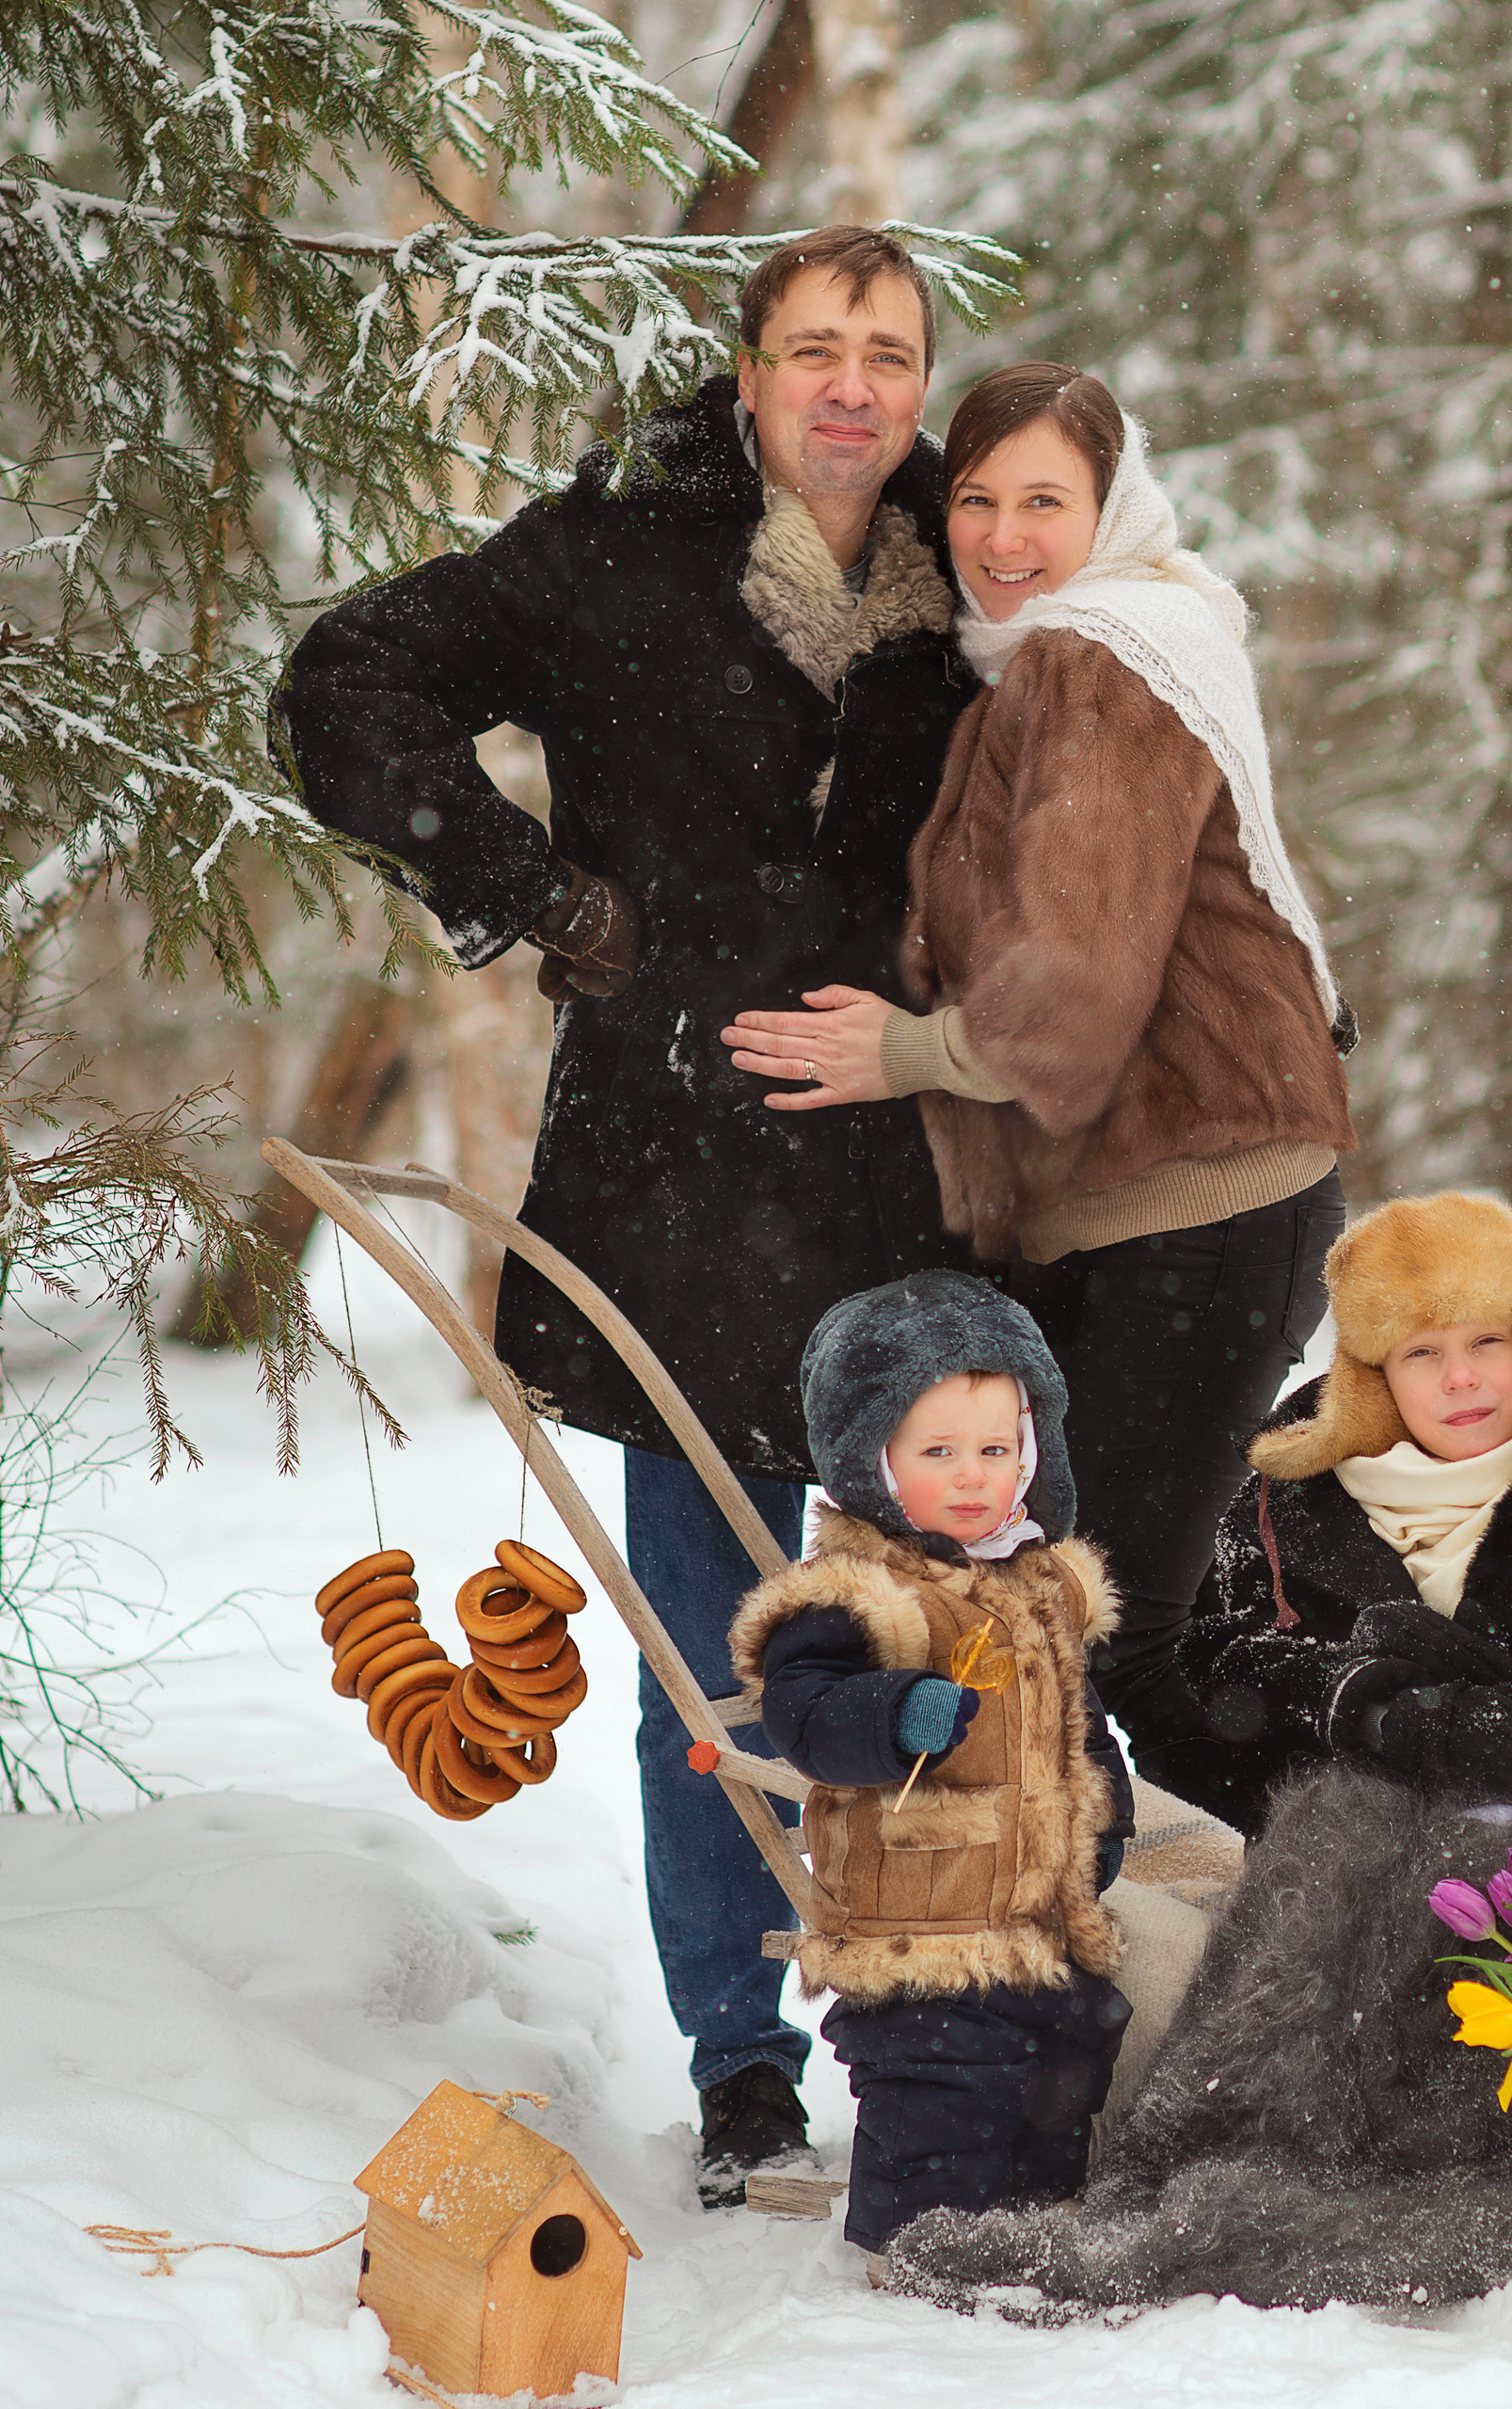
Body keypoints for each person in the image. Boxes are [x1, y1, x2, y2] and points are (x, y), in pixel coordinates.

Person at [276, 225, 977, 2201]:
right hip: (676, 1180)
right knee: (718, 1658)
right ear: (748, 374)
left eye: (890, 352)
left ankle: (957, 2023)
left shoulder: (982, 573)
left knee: (953, 1640)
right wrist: (526, 884)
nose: (853, 386)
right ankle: (742, 2055)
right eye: (814, 347)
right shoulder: (614, 551)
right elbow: (350, 674)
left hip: (926, 1187)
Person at [720, 363, 1355, 1794]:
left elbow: (1073, 975)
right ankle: (1252, 1917)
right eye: (978, 501)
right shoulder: (1075, 657)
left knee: (1125, 1636)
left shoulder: (1097, 658)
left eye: (1046, 503)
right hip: (1164, 1218)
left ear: (1112, 510)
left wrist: (908, 1051)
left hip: (1195, 1217)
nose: (1006, 538)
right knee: (1120, 1618)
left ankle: (1386, 1925)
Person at [728, 1270, 1135, 2258]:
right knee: (941, 2098)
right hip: (921, 1924)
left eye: (995, 1450)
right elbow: (804, 1710)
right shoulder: (857, 1592)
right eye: (937, 1451)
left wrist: (1104, 1817)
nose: (970, 1476)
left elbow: (1074, 1725)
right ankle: (911, 2260)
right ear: (874, 1460)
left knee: (1057, 2082)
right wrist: (893, 1710)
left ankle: (1036, 2240)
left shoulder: (1041, 1587)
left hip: (1039, 1921)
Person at [1171, 1191, 1512, 1859]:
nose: (1461, 1377)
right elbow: (1224, 1681)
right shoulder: (1287, 1507)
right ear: (1374, 1379)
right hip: (1346, 1884)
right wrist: (1377, 1711)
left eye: (1486, 1340)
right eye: (1421, 1353)